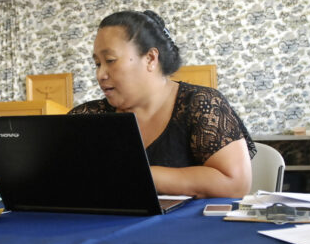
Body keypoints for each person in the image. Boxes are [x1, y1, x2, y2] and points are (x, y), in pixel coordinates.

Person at [70, 10, 255, 198]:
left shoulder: (202, 105)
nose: (100, 74)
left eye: (110, 60)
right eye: (97, 64)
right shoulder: (87, 116)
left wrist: (137, 175)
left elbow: (236, 184)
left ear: (150, 59)